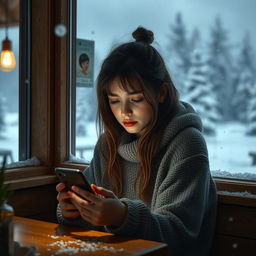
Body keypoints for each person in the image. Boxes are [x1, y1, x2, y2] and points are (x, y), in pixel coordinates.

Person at [56, 27, 217, 256]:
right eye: (114, 101)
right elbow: (94, 222)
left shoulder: (187, 145)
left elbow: (180, 238)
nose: (125, 112)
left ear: (162, 93)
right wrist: (73, 209)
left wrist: (122, 216)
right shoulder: (108, 144)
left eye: (136, 99)